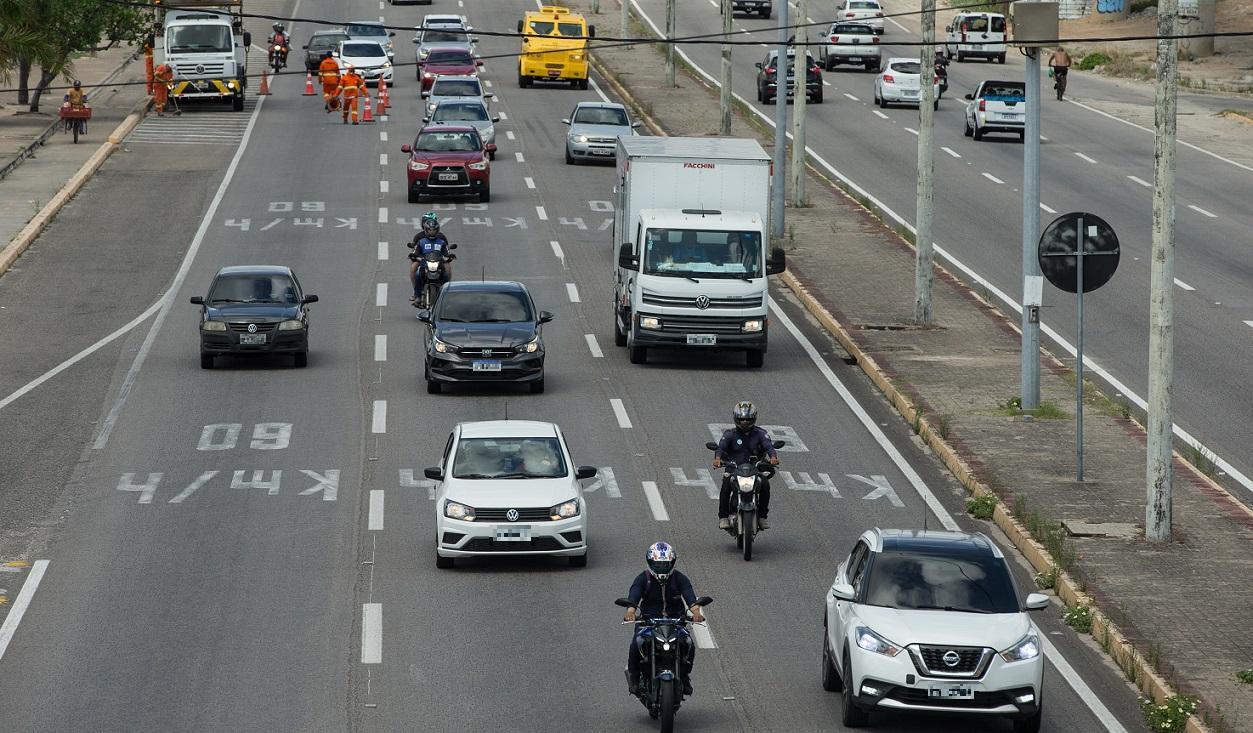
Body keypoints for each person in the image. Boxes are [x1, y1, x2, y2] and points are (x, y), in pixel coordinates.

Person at [622, 542, 705, 697]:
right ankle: (634, 677)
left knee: (689, 645)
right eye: (658, 565)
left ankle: (685, 677)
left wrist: (696, 612)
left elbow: (690, 597)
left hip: (676, 622)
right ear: (650, 563)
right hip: (648, 622)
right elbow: (634, 597)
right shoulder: (643, 579)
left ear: (672, 563)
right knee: (636, 644)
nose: (661, 568)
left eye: (665, 565)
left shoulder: (679, 578)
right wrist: (631, 611)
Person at [713, 401, 779, 531]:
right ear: (736, 418)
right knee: (726, 486)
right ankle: (723, 517)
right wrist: (717, 459)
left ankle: (762, 517)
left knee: (765, 485)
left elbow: (768, 446)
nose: (744, 422)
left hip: (755, 469)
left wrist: (773, 457)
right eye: (741, 419)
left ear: (753, 418)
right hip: (733, 469)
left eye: (747, 419)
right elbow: (720, 448)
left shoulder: (760, 433)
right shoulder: (729, 434)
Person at [408, 212, 452, 303]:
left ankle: (446, 294)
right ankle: (417, 294)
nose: (432, 232)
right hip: (423, 261)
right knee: (416, 272)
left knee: (446, 272)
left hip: (438, 261)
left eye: (434, 230)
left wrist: (448, 257)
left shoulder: (441, 238)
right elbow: (415, 250)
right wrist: (414, 257)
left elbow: (446, 250)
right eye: (430, 230)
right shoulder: (419, 238)